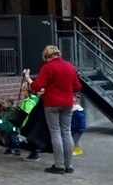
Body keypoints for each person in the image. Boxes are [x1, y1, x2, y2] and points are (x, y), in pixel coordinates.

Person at [29, 45, 82, 174]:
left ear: (47, 56)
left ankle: (59, 165)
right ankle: (68, 165)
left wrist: (34, 83)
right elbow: (77, 87)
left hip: (52, 103)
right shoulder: (70, 67)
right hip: (68, 103)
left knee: (55, 133)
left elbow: (37, 85)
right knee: (67, 131)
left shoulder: (47, 67)